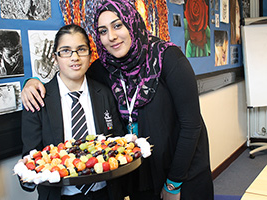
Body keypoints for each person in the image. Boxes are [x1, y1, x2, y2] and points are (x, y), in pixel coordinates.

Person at [21, 0, 214, 200]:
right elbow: (71, 76)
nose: (111, 37)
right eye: (103, 31)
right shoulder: (104, 69)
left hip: (181, 172)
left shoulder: (168, 58)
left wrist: (174, 183)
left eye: (117, 25)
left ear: (132, 23)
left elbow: (191, 125)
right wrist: (31, 82)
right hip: (142, 175)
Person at [20, 24, 126, 200]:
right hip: (60, 194)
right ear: (55, 58)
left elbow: (117, 140)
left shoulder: (105, 93)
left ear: (90, 55)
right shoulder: (38, 99)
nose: (75, 57)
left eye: (81, 50)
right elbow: (31, 155)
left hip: (105, 192)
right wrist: (28, 175)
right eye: (66, 51)